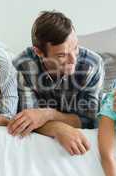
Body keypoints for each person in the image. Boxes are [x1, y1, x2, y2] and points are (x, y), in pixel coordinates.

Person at [10, 10, 105, 155]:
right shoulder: (23, 65)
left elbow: (89, 121)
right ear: (39, 52)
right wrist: (59, 129)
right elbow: (27, 119)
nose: (73, 60)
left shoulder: (92, 64)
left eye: (75, 48)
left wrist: (48, 114)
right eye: (62, 55)